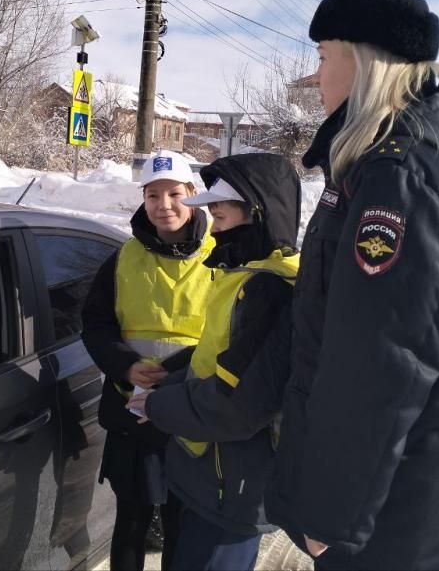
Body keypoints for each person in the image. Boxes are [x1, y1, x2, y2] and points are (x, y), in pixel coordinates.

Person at [264, 0, 439, 570]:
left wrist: (333, 513)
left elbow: (382, 363)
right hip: (396, 502)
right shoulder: (389, 161)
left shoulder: (401, 175)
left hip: (385, 519)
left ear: (364, 62)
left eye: (322, 57)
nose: (315, 77)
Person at [126, 153, 301, 571]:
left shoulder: (270, 290)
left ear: (257, 216)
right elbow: (216, 360)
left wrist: (155, 405)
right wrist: (168, 382)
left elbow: (235, 407)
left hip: (232, 487)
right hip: (212, 476)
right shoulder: (249, 276)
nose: (215, 232)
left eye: (220, 220)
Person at [81, 150, 217, 571]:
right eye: (153, 195)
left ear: (192, 195)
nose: (164, 205)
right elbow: (96, 324)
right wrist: (124, 365)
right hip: (131, 414)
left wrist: (173, 376)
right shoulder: (123, 259)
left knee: (182, 525)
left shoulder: (221, 258)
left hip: (191, 414)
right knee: (132, 522)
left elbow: (230, 335)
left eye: (174, 194)